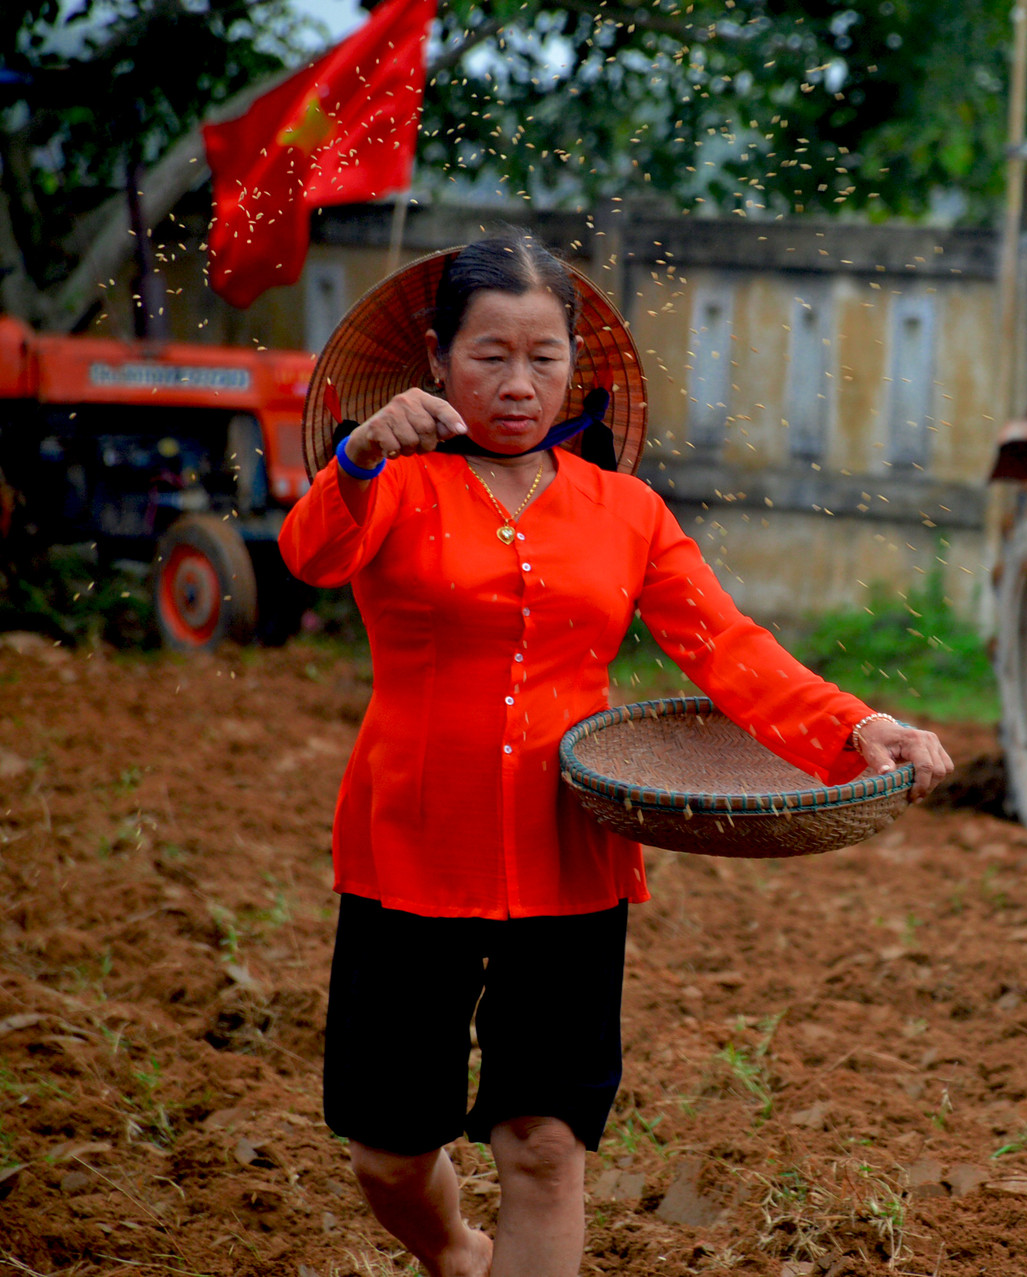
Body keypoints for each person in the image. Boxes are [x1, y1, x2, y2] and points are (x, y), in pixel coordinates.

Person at [279, 234, 953, 1277]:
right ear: (435, 355)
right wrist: (360, 454)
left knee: (545, 1145)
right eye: (489, 354)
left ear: (575, 363)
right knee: (388, 1149)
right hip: (411, 850)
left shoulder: (624, 510)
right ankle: (456, 1248)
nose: (517, 383)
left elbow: (729, 649)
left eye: (543, 357)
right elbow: (309, 556)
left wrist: (859, 727)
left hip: (571, 862)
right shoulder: (392, 484)